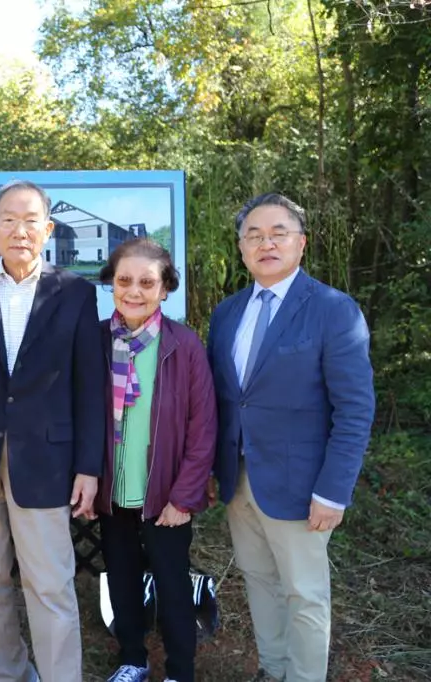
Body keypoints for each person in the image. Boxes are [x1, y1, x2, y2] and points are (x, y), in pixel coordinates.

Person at [0, 179, 106, 682]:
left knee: (50, 583)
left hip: (47, 459)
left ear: (48, 228)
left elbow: (87, 385)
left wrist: (88, 468)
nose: (20, 230)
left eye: (31, 220)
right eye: (8, 219)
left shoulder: (74, 292)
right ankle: (9, 675)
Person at [207, 194, 375, 682]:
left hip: (303, 488)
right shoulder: (227, 313)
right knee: (259, 582)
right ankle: (273, 669)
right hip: (239, 480)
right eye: (254, 235)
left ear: (300, 243)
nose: (267, 243)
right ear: (241, 249)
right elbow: (227, 401)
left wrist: (333, 490)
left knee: (304, 593)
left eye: (278, 232)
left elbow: (355, 408)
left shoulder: (332, 309)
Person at [95, 239, 217, 682]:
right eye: (124, 280)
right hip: (112, 492)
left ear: (165, 289)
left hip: (166, 494)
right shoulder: (95, 340)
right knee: (122, 580)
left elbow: (203, 429)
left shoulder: (183, 345)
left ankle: (180, 670)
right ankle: (132, 659)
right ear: (111, 284)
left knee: (172, 584)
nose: (134, 291)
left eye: (147, 282)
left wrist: (183, 497)